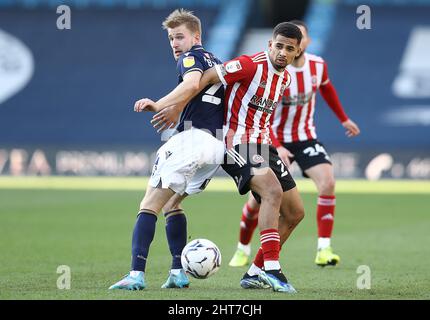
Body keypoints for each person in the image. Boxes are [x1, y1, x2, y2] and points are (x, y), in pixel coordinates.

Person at [153, 22, 305, 293]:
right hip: (237, 140)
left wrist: (277, 146)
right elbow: (206, 78)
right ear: (270, 45)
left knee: (295, 213)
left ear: (296, 52)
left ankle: (256, 271)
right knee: (272, 192)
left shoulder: (285, 78)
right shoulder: (249, 65)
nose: (282, 52)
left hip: (263, 145)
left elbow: (263, 116)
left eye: (289, 49)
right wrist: (176, 107)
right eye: (278, 46)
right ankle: (272, 268)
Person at [228, 20, 361, 268]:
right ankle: (242, 248)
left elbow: (327, 89)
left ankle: (323, 248)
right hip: (272, 139)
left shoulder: (318, 66)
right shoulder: (273, 73)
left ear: (303, 44)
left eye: (296, 41)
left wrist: (344, 119)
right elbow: (263, 115)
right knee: (260, 199)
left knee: (328, 182)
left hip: (305, 137)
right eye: (281, 45)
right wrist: (277, 145)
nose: (285, 50)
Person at [109, 9, 225, 290]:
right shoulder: (216, 61)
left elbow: (191, 83)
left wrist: (160, 104)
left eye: (179, 37)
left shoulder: (191, 57)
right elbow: (202, 92)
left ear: (196, 37)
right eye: (171, 38)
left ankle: (136, 274)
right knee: (172, 205)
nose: (175, 43)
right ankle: (178, 272)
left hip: (192, 140)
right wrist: (178, 109)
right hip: (216, 145)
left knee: (149, 205)